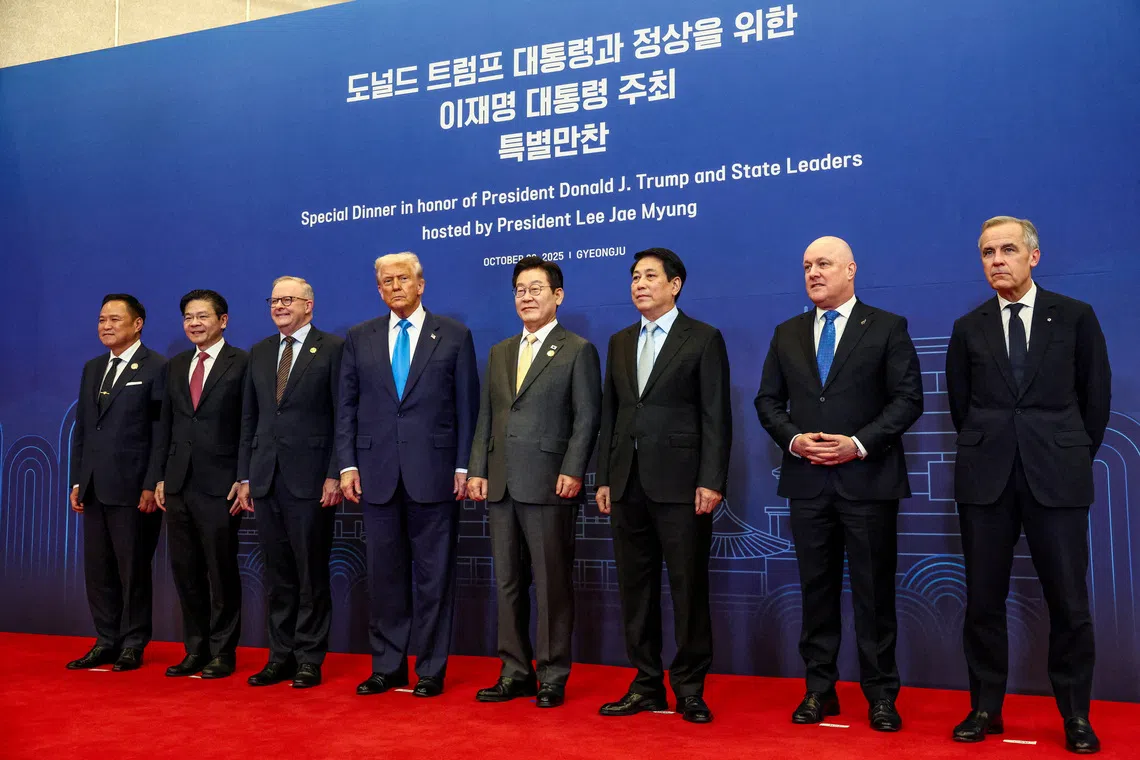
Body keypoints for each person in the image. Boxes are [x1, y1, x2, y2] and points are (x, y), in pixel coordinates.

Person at [946, 216, 1111, 754]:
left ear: (1033, 256)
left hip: (1057, 478)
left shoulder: (1075, 316)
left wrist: (1067, 453)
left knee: (1069, 602)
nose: (997, 260)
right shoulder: (968, 327)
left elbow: (1095, 399)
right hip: (986, 481)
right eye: (987, 252)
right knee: (983, 601)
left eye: (1008, 249)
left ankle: (1076, 715)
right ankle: (984, 708)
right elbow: (962, 408)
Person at [754, 236, 923, 731]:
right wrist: (794, 440)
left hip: (868, 480)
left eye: (823, 264)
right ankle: (819, 691)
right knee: (816, 592)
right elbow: (768, 401)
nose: (813, 272)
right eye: (807, 265)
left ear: (851, 269)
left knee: (874, 594)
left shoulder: (887, 327)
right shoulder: (787, 332)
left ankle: (881, 696)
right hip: (807, 482)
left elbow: (907, 399)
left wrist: (858, 443)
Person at [594, 247, 730, 724]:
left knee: (687, 589)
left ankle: (690, 688)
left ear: (675, 285)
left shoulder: (703, 338)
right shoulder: (619, 341)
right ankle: (646, 684)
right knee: (636, 590)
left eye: (650, 276)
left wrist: (711, 479)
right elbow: (611, 414)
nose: (639, 284)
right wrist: (605, 477)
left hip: (682, 486)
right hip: (627, 483)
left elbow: (716, 415)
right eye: (635, 276)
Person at [336, 252, 479, 698]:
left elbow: (467, 406)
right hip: (376, 474)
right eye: (386, 281)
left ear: (421, 285)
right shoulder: (359, 337)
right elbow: (346, 407)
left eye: (402, 279)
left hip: (435, 474)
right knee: (384, 577)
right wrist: (347, 464)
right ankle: (388, 666)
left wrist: (463, 465)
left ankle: (431, 669)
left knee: (434, 578)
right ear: (378, 289)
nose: (395, 286)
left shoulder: (453, 335)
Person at [467, 256, 601, 708]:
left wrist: (573, 468)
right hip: (502, 482)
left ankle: (552, 674)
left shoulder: (577, 350)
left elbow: (587, 418)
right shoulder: (500, 351)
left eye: (536, 289)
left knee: (550, 583)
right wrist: (478, 469)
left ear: (557, 296)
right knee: (507, 583)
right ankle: (514, 672)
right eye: (520, 290)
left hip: (550, 482)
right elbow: (487, 416)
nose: (526, 297)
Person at [236, 276, 344, 688]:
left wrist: (335, 472)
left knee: (310, 573)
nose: (278, 306)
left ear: (308, 305)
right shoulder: (261, 351)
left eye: (287, 300)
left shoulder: (332, 348)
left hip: (312, 480)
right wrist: (245, 475)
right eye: (274, 300)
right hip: (266, 478)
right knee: (277, 574)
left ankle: (309, 658)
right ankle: (279, 656)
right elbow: (250, 418)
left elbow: (342, 416)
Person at [152, 289, 249, 679]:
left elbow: (248, 425)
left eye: (202, 316)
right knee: (186, 571)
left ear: (222, 321)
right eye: (188, 317)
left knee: (220, 570)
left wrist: (243, 476)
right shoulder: (176, 365)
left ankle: (223, 652)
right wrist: (160, 476)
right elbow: (166, 425)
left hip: (221, 484)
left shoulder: (242, 363)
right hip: (178, 483)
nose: (194, 323)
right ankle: (195, 649)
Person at [67, 294, 166, 672]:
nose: (106, 326)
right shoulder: (93, 368)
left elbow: (160, 432)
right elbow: (83, 430)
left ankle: (134, 643)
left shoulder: (157, 366)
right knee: (99, 571)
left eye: (114, 319)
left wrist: (151, 482)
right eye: (101, 320)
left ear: (137, 324)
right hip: (94, 487)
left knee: (132, 570)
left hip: (133, 489)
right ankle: (106, 640)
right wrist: (78, 481)